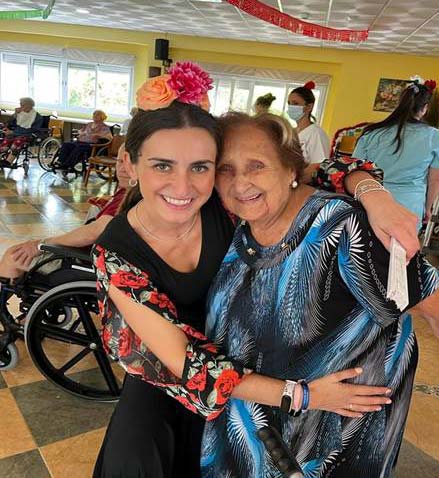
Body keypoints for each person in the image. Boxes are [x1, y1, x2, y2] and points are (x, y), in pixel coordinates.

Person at [91, 63, 422, 478]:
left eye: (200, 166)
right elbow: (185, 362)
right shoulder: (117, 254)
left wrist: (374, 195)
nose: (183, 186)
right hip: (176, 386)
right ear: (129, 162)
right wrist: (303, 396)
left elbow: (309, 171)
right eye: (162, 165)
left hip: (247, 379)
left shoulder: (220, 201)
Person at [0, 146, 128, 280]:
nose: (123, 169)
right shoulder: (133, 192)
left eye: (129, 162)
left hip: (83, 261)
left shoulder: (125, 198)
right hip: (99, 257)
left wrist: (40, 244)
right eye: (119, 161)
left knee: (13, 256)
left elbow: (92, 233)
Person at [353, 78, 439, 227]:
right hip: (409, 207)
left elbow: (353, 171)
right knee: (401, 249)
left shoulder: (372, 133)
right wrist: (428, 208)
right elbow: (434, 180)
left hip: (370, 203)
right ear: (425, 108)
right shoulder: (434, 137)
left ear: (400, 104)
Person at [287, 81, 330, 166]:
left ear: (309, 107)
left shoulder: (316, 133)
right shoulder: (292, 132)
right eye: (289, 103)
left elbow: (319, 166)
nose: (291, 107)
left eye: (296, 103)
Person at [0, 97, 43, 165]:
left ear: (29, 105)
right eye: (20, 105)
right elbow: (11, 124)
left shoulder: (37, 117)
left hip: (27, 135)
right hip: (15, 133)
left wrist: (13, 132)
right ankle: (2, 158)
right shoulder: (20, 113)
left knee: (16, 144)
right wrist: (15, 114)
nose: (20, 107)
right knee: (5, 142)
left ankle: (8, 161)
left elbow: (33, 130)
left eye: (22, 105)